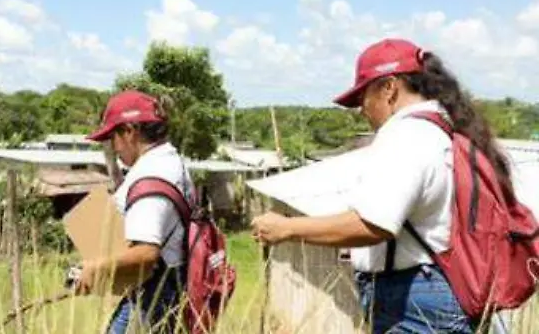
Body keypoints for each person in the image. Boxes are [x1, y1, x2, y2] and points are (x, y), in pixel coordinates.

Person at [251, 39, 519, 334]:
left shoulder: (407, 134)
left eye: (363, 96)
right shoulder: (439, 132)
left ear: (389, 88)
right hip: (432, 291)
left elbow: (375, 223)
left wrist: (287, 228)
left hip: (412, 301)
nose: (361, 110)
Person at [76, 91, 193, 334]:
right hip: (163, 290)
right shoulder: (171, 162)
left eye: (113, 137)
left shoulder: (151, 177)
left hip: (152, 296)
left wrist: (96, 268)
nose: (113, 147)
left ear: (129, 131)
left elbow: (146, 254)